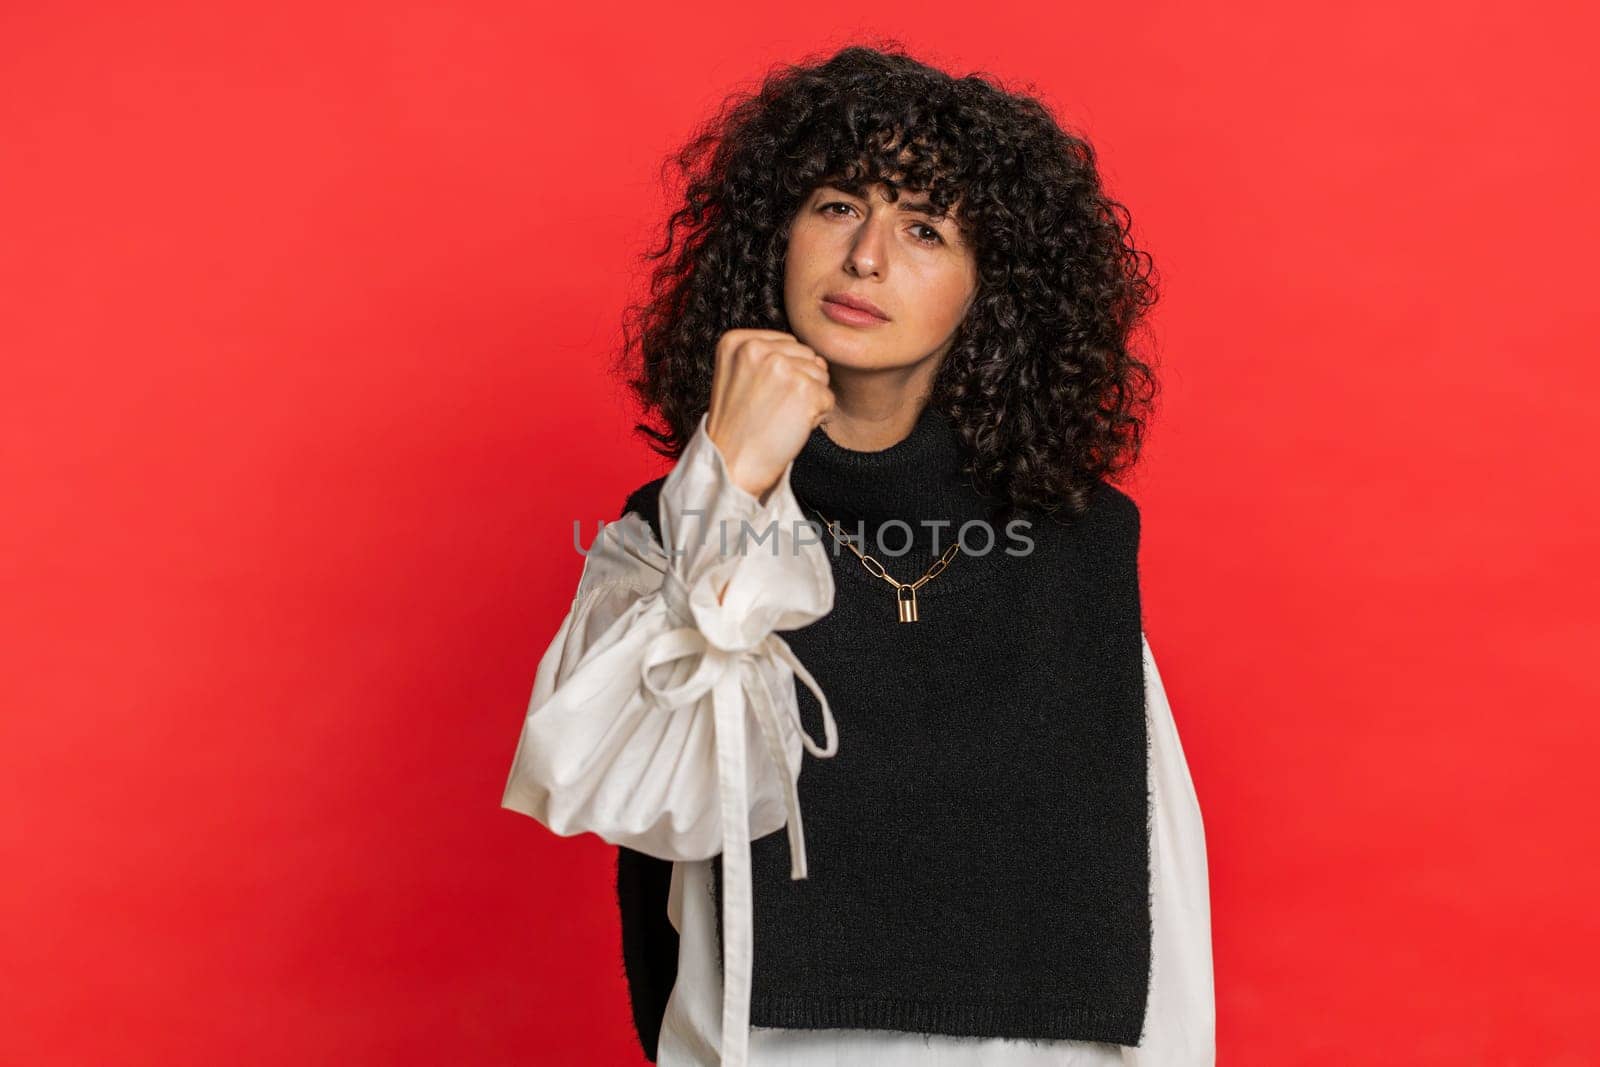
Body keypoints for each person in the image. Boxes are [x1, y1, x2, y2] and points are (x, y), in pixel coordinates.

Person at [502, 42, 1215, 1067]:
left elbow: (1155, 898)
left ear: (990, 290)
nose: (866, 256)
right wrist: (730, 476)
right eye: (839, 205)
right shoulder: (671, 522)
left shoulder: (1076, 544)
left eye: (923, 228)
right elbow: (604, 784)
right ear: (777, 230)